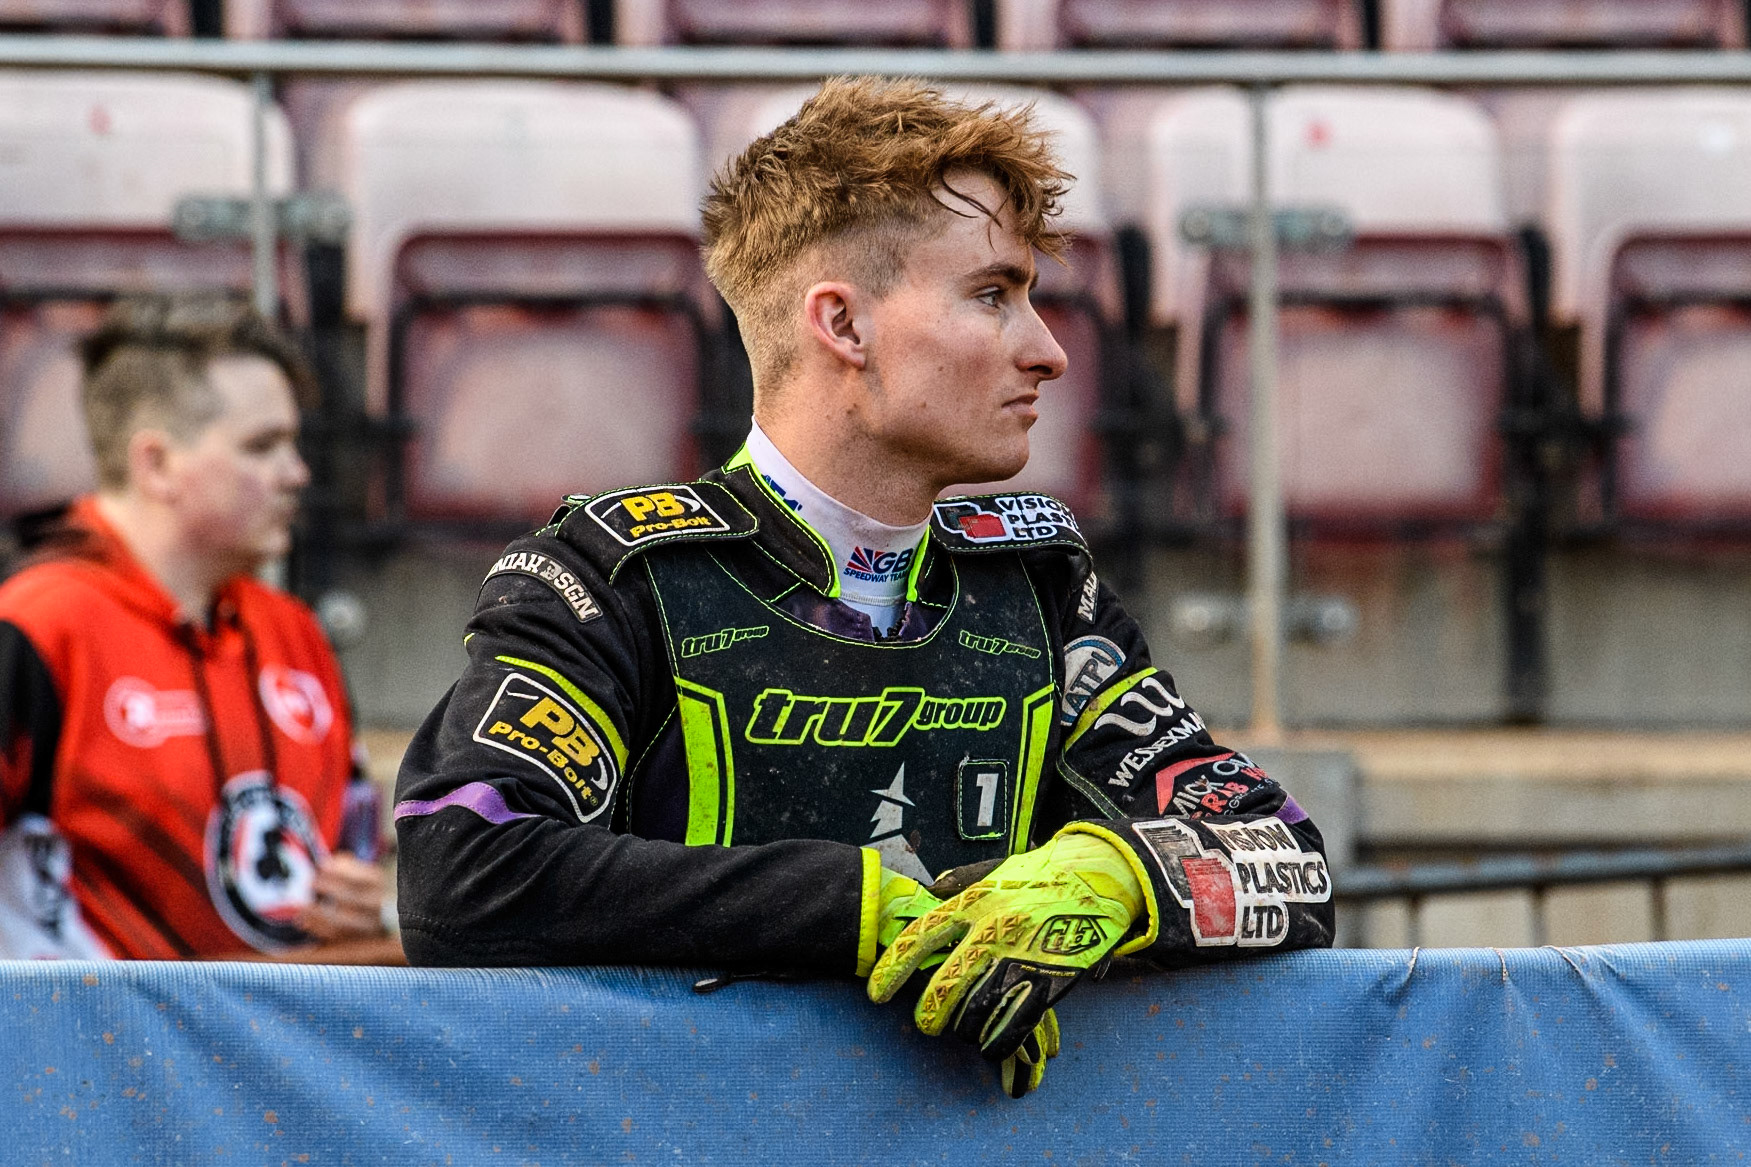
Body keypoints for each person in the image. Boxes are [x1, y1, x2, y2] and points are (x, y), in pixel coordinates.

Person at [394, 77, 1334, 1095]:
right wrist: (848, 904)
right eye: (992, 294)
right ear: (841, 325)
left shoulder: (1040, 594)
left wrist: (1119, 876)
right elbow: (461, 870)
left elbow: (1284, 855)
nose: (1048, 350)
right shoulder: (614, 578)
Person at [0, 295, 390, 961]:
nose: (297, 474)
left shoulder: (294, 631)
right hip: (93, 1057)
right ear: (156, 464)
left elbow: (351, 851)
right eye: (262, 446)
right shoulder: (36, 627)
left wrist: (362, 902)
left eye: (293, 444)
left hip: (284, 1045)